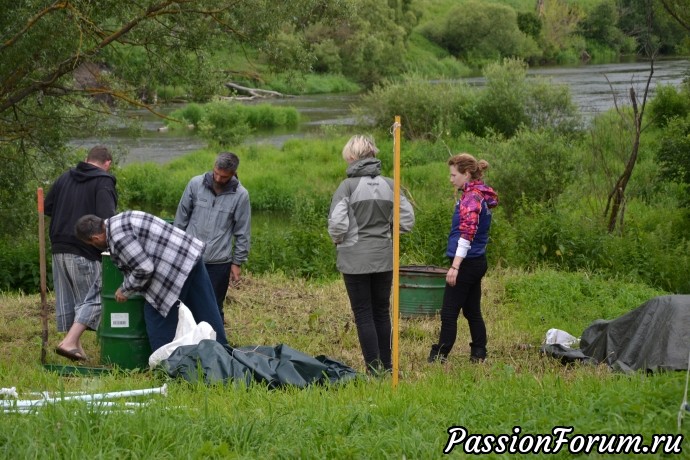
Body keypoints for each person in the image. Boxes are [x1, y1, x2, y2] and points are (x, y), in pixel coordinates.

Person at [75, 211, 229, 351]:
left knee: (157, 317)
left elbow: (144, 268)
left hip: (172, 267)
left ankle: (166, 364)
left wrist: (125, 289)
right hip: (189, 255)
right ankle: (222, 351)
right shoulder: (118, 219)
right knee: (205, 308)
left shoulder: (118, 237)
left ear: (95, 238)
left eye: (91, 244)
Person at [328, 135, 415, 375]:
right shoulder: (390, 184)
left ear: (353, 158)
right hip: (384, 258)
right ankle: (387, 366)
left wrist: (339, 240)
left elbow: (336, 224)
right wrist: (388, 231)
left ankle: (373, 369)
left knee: (363, 313)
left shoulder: (347, 186)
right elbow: (407, 221)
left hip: (354, 259)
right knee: (381, 311)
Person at [44, 145, 117, 361]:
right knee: (95, 297)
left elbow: (48, 207)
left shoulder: (64, 177)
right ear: (107, 164)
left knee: (72, 299)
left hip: (58, 246)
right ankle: (68, 342)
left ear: (86, 159)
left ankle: (75, 347)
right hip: (84, 248)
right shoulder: (103, 180)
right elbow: (106, 219)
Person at [428, 153, 498, 364]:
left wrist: (455, 266)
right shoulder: (480, 194)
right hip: (477, 260)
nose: (451, 179)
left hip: (466, 262)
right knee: (471, 310)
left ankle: (439, 355)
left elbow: (466, 235)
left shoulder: (471, 199)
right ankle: (478, 352)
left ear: (466, 174)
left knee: (449, 312)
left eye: (453, 175)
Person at [174, 152, 251, 322]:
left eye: (223, 176)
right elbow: (180, 220)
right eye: (216, 172)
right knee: (183, 304)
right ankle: (184, 344)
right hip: (190, 257)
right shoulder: (195, 184)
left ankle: (215, 345)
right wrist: (174, 250)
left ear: (233, 174)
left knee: (213, 306)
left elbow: (242, 231)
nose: (218, 178)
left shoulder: (241, 195)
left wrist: (237, 263)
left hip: (218, 262)